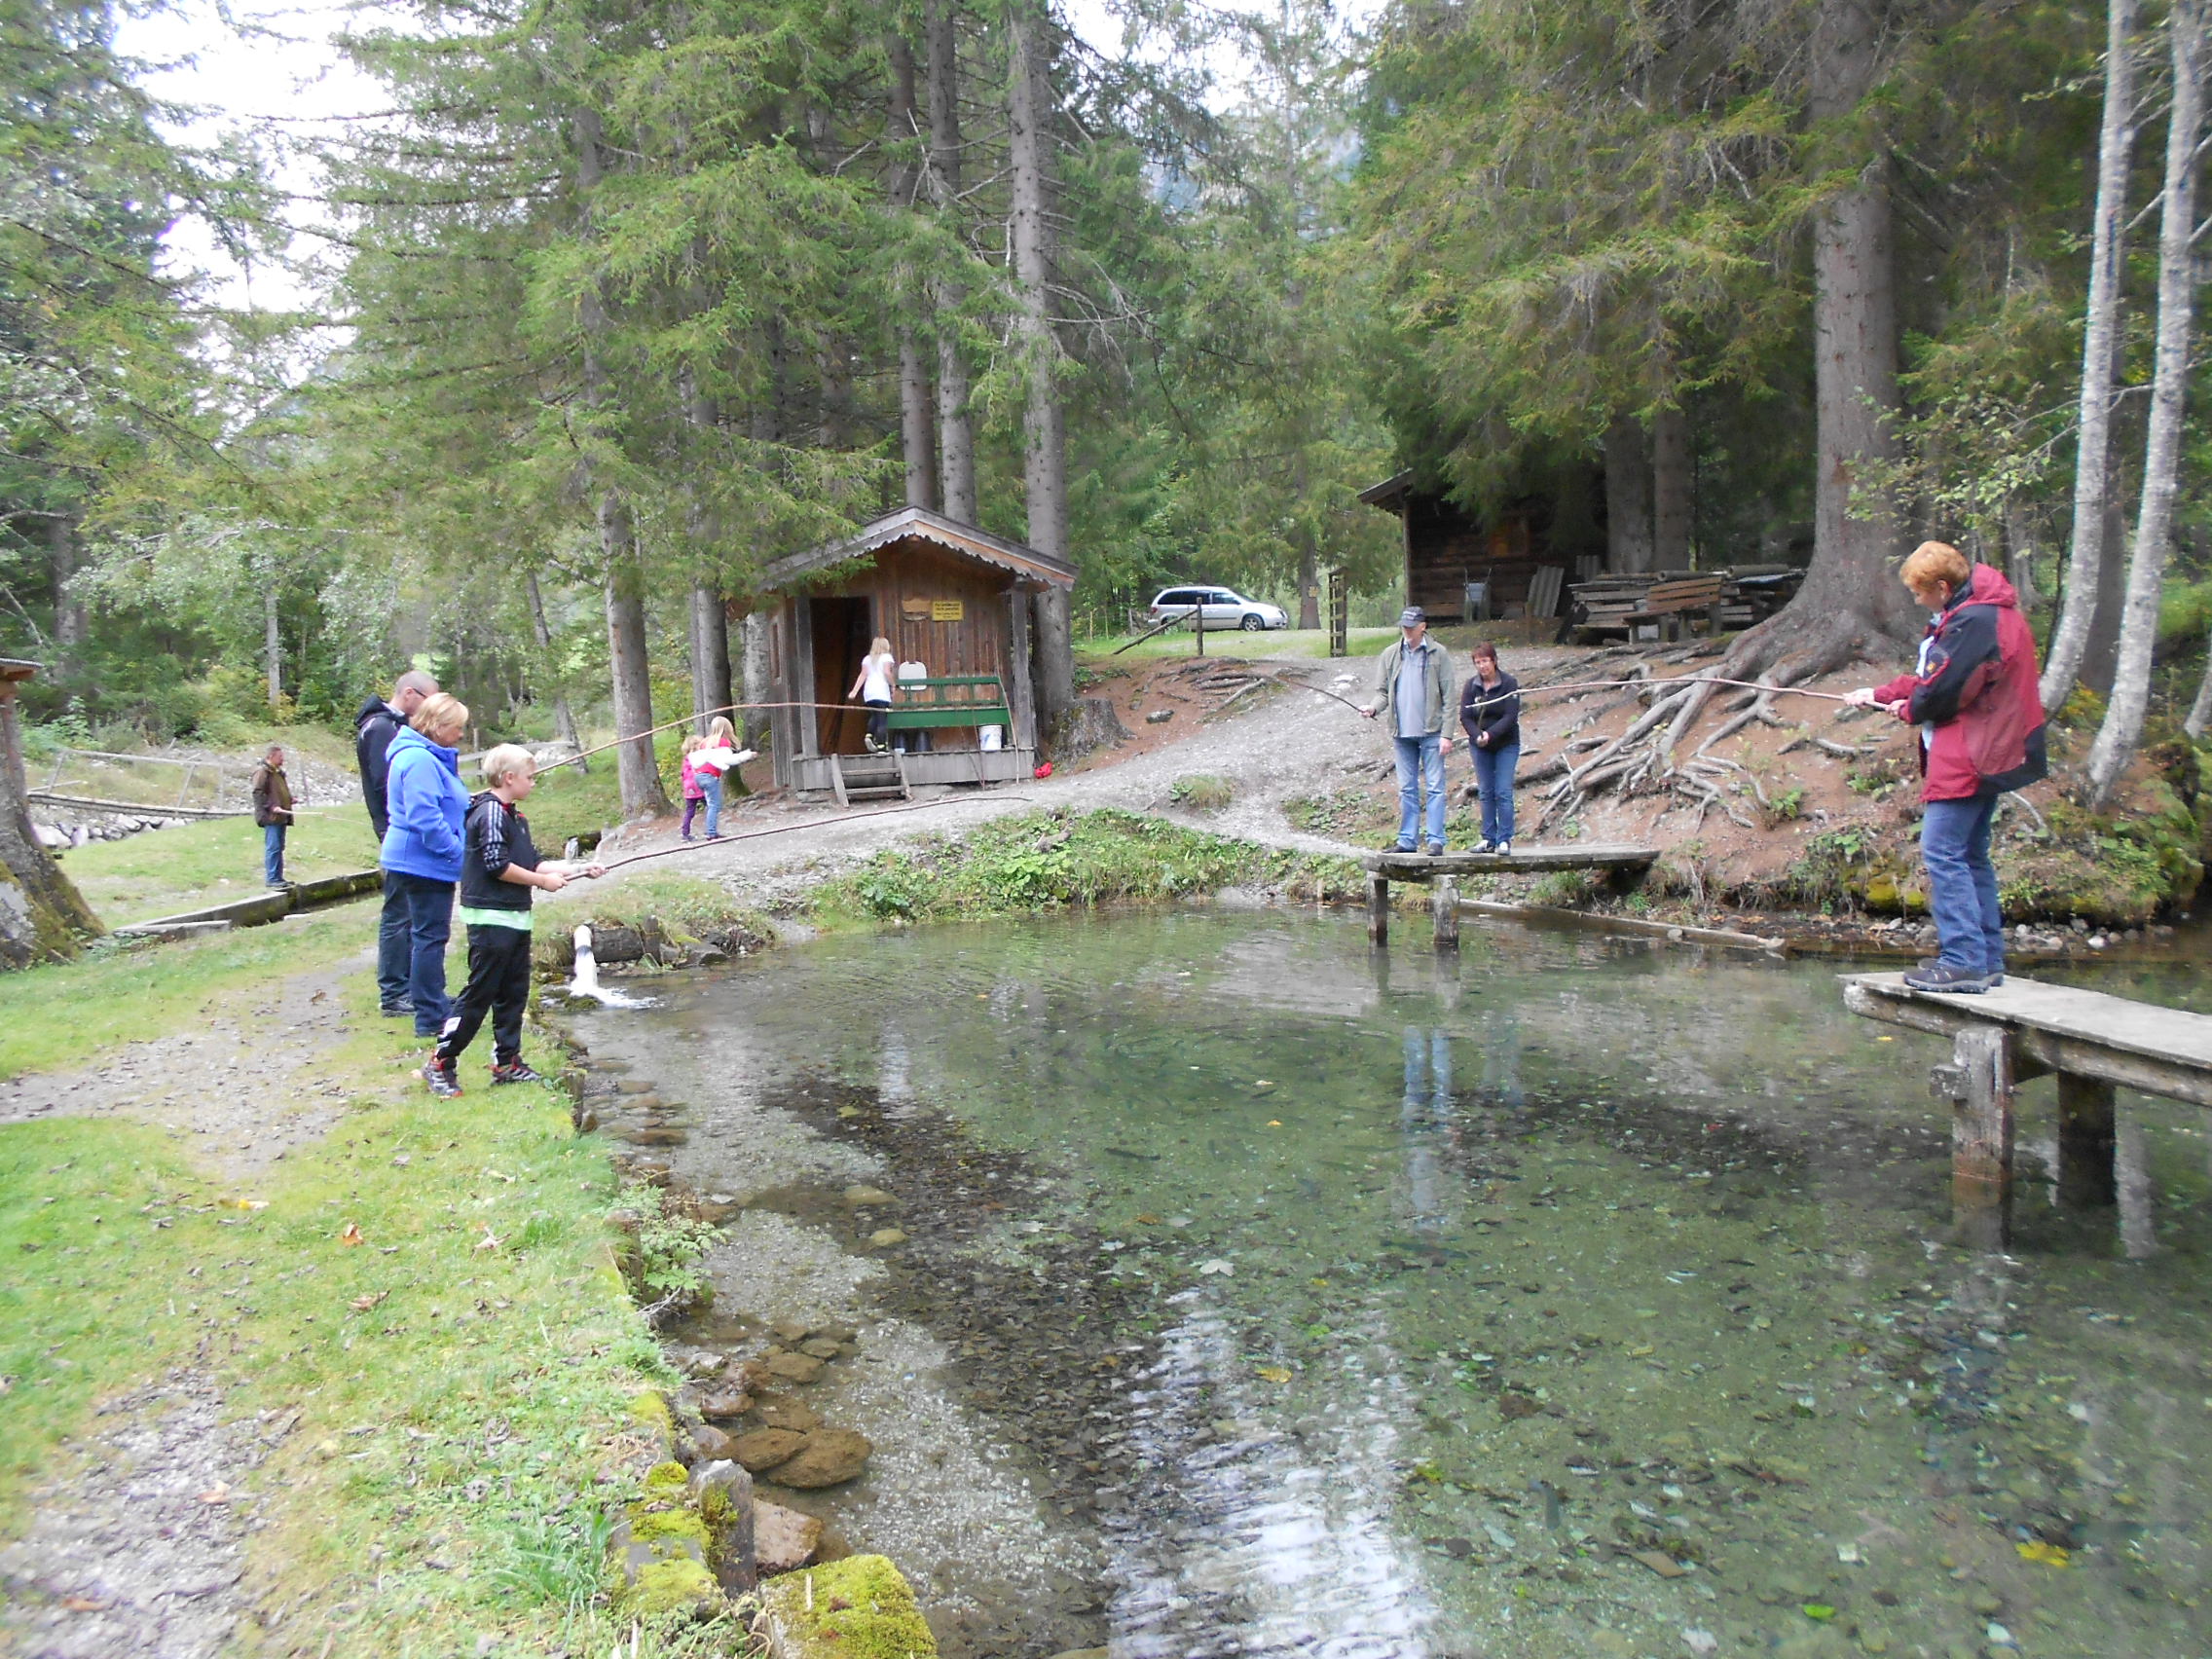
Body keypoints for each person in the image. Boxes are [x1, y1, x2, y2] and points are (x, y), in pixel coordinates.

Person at [1847, 541, 2046, 994]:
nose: (1916, 601)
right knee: (1971, 853)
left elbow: (1941, 692)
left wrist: (1905, 709)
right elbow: (1932, 679)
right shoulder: (1980, 616)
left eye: (1919, 593)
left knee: (1942, 851)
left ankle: (1962, 960)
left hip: (1973, 753)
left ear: (1941, 587)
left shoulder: (1974, 621)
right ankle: (1986, 959)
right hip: (1991, 751)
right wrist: (1877, 693)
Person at [424, 745, 602, 1097]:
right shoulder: (489, 813)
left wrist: (580, 869)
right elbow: (498, 865)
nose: (533, 783)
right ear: (509, 778)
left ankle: (506, 1062)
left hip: (516, 919)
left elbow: (535, 863)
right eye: (530, 777)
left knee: (514, 993)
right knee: (479, 994)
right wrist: (542, 883)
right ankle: (441, 1061)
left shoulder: (516, 818)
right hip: (491, 920)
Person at [380, 691, 472, 1039]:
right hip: (421, 862)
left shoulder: (424, 757)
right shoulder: (419, 760)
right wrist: (456, 854)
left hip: (420, 860)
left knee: (428, 936)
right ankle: (431, 1017)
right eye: (457, 727)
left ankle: (432, 1001)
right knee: (429, 938)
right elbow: (425, 818)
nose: (460, 735)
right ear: (437, 725)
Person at [357, 670, 439, 1017]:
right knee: (398, 915)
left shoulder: (389, 727)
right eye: (428, 701)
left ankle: (408, 986)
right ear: (410, 694)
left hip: (401, 833)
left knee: (409, 913)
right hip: (399, 836)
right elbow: (385, 785)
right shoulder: (380, 729)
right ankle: (393, 993)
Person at [1363, 606, 1456, 855]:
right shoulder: (1390, 654)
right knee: (1407, 788)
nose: (1407, 631)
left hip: (1432, 732)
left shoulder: (1438, 654)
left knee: (1435, 786)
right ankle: (1407, 841)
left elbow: (1449, 697)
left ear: (1423, 626)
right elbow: (1382, 693)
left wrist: (1447, 734)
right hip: (1401, 733)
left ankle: (1436, 840)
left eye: (1411, 627)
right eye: (1404, 626)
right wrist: (1373, 708)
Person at [1460, 643, 1521, 855]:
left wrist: (1491, 734)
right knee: (1485, 791)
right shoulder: (1471, 686)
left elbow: (1510, 716)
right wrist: (1477, 735)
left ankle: (1504, 839)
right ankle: (1488, 838)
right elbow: (1465, 715)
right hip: (1480, 746)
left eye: (1485, 661)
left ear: (1494, 661)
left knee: (1503, 791)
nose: (1482, 666)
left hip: (1506, 743)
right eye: (1478, 662)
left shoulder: (1509, 683)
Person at [250, 744, 293, 887]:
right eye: (280, 757)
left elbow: (278, 791)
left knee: (279, 847)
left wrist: (289, 799)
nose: (282, 759)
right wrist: (271, 806)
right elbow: (258, 792)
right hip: (271, 817)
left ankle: (278, 878)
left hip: (281, 816)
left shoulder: (277, 772)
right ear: (271, 756)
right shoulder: (262, 772)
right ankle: (272, 879)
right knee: (273, 846)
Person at [848, 634, 898, 753]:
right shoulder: (886, 657)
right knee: (881, 719)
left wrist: (854, 691)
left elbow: (863, 675)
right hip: (881, 692)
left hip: (869, 693)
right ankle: (882, 747)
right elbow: (887, 672)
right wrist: (893, 684)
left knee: (874, 715)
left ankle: (869, 735)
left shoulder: (867, 659)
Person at [701, 714, 739, 835]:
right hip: (710, 776)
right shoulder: (723, 742)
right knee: (714, 805)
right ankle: (711, 832)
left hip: (699, 775)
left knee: (711, 803)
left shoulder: (705, 741)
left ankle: (709, 829)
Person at [678, 734, 709, 840]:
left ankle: (685, 833)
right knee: (710, 805)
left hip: (689, 788)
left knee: (690, 811)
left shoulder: (686, 759)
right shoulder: (697, 758)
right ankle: (710, 829)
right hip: (698, 785)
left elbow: (683, 774)